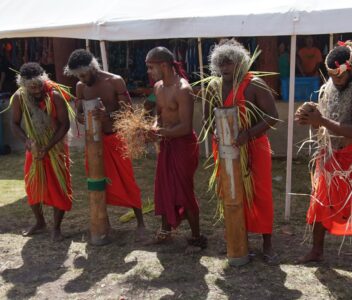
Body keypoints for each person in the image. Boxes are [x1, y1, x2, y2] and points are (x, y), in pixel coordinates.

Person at [295, 41, 352, 281]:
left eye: (339, 75)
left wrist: (321, 121)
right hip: (330, 153)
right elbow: (325, 111)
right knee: (320, 200)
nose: (335, 80)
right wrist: (309, 112)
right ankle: (317, 250)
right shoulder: (333, 83)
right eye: (331, 76)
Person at [204, 39, 279, 264]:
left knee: (261, 194)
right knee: (231, 193)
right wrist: (216, 133)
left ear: (241, 63)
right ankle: (238, 238)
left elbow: (272, 116)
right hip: (225, 148)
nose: (225, 68)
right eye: (222, 63)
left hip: (254, 147)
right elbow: (207, 119)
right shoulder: (213, 86)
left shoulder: (254, 84)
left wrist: (248, 134)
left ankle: (267, 244)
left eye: (230, 63)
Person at [64, 49, 149, 242]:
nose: (82, 79)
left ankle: (141, 223)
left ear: (93, 67)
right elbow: (78, 110)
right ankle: (104, 222)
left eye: (84, 74)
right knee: (97, 181)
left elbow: (128, 112)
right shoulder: (80, 86)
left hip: (115, 138)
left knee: (127, 180)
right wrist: (79, 115)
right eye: (78, 76)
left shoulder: (115, 81)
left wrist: (107, 115)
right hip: (93, 142)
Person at [145, 46, 206, 252]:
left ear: (164, 65)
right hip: (166, 142)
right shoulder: (158, 87)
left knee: (184, 190)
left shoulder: (183, 89)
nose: (149, 72)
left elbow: (186, 127)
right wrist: (154, 127)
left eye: (151, 67)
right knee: (163, 186)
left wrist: (159, 132)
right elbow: (159, 115)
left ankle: (197, 237)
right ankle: (165, 232)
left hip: (183, 145)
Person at [9, 62, 73, 241]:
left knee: (59, 186)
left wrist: (49, 146)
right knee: (33, 185)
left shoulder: (55, 96)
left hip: (56, 146)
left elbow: (65, 124)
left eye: (38, 85)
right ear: (24, 85)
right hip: (35, 147)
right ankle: (40, 222)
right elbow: (14, 123)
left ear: (43, 80)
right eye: (31, 87)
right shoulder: (19, 98)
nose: (36, 90)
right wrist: (27, 142)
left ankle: (57, 228)